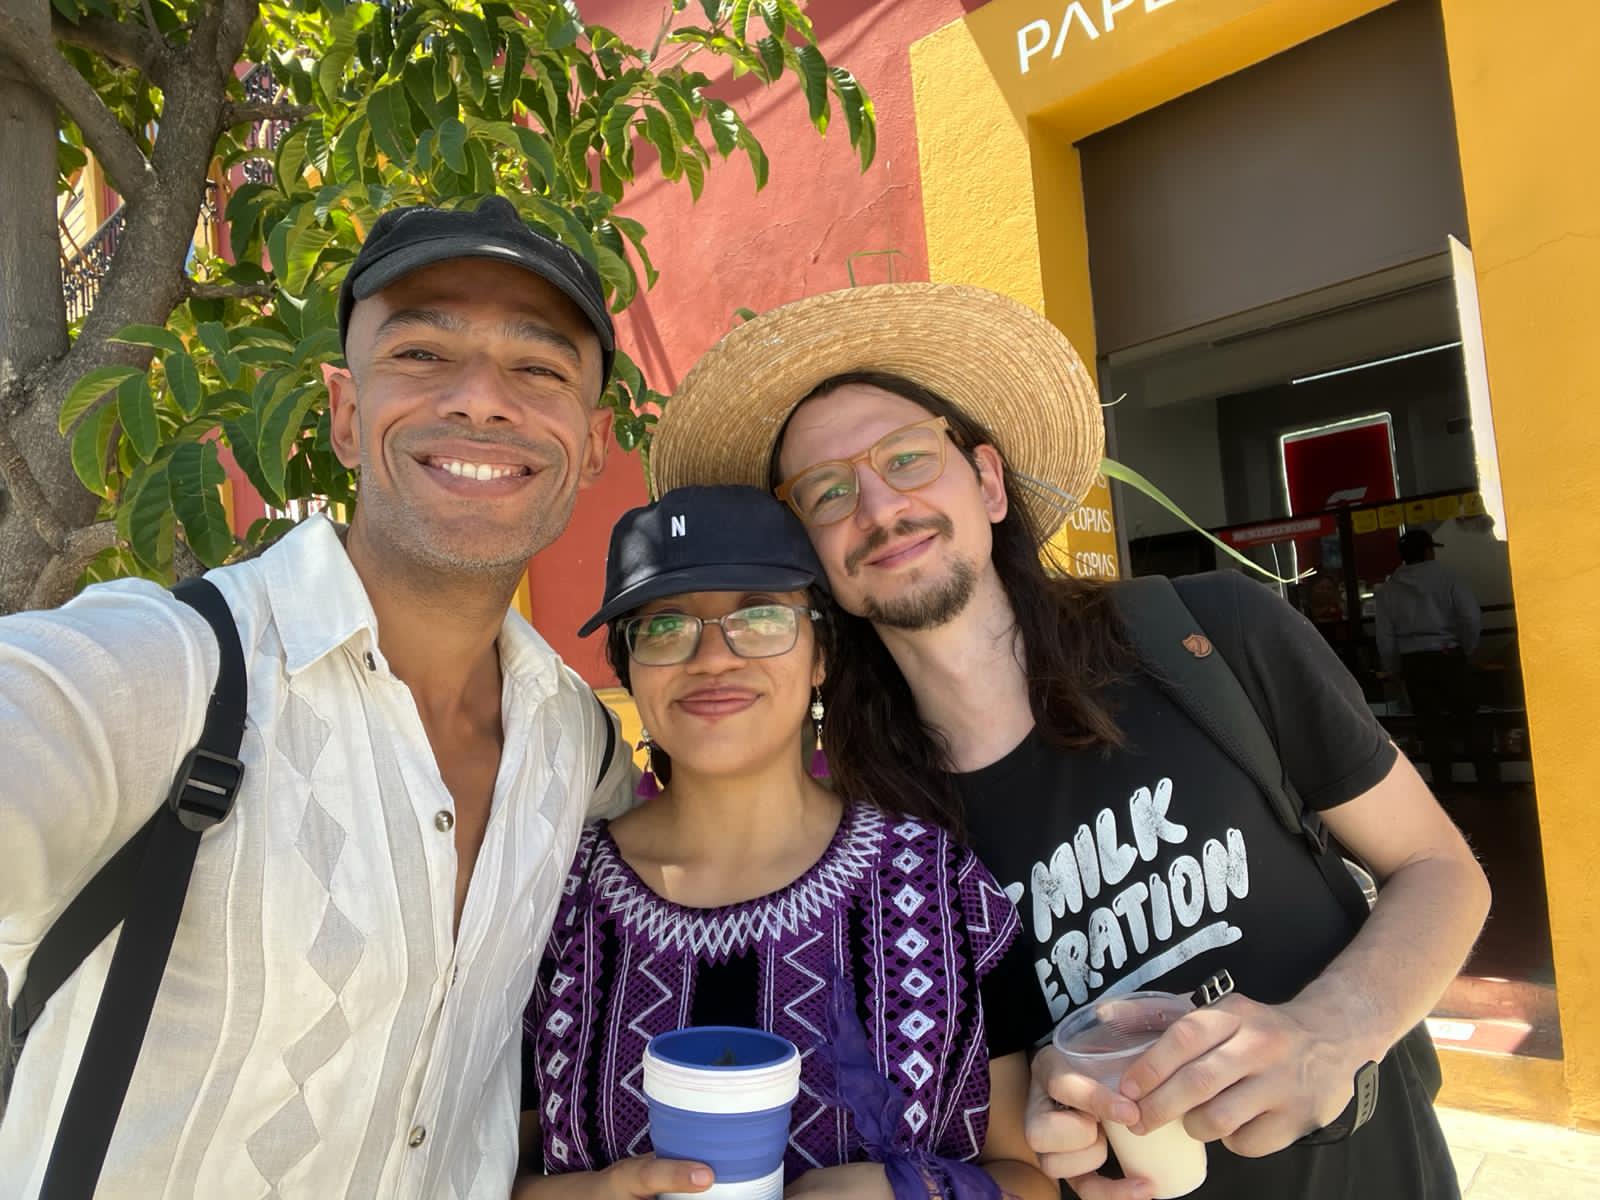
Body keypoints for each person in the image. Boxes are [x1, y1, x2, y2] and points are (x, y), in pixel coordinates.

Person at [646, 283, 1490, 1200]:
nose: (880, 506)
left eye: (908, 458)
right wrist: (1041, 1153)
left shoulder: (1209, 633)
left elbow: (1441, 870)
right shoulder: (861, 825)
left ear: (989, 481)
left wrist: (1334, 1030)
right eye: (828, 491)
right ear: (810, 559)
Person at [0, 196, 633, 1197]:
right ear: (345, 413)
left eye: (539, 368)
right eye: (423, 353)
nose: (480, 399)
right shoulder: (166, 677)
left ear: (592, 446)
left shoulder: (578, 749)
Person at [514, 485, 1055, 1200]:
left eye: (761, 618)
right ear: (627, 666)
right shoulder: (551, 899)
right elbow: (490, 1171)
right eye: (665, 627)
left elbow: (1027, 1175)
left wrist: (908, 1194)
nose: (712, 658)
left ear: (821, 655)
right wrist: (604, 1193)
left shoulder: (942, 889)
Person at [1375, 528, 1493, 792]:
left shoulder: (1389, 589)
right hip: (1448, 654)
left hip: (1414, 662)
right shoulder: (1449, 578)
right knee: (1468, 719)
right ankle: (1488, 783)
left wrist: (1395, 669)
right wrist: (1466, 648)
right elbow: (1470, 617)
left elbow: (1385, 637)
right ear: (1429, 551)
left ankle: (1443, 787)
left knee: (1431, 725)